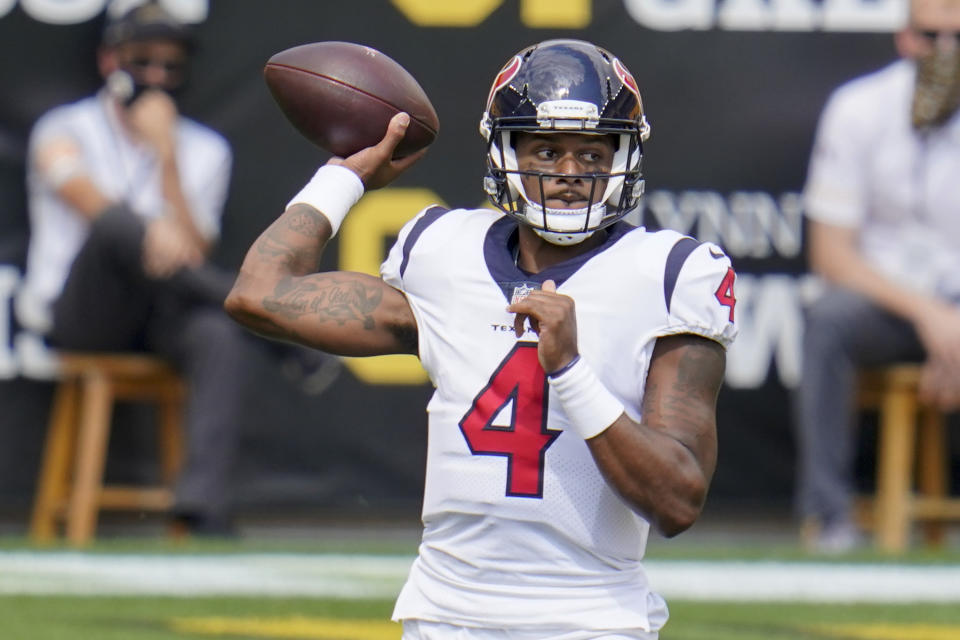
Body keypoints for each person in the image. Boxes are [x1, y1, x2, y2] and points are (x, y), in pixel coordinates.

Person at [226, 39, 737, 639]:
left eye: (592, 154)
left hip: (592, 620)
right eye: (547, 150)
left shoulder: (673, 274)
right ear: (505, 152)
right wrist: (344, 177)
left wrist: (571, 371)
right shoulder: (444, 251)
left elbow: (677, 502)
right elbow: (258, 294)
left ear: (624, 157)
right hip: (444, 616)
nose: (569, 175)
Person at [16, 3, 245, 536]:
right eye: (143, 62)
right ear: (109, 62)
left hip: (162, 310)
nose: (157, 78)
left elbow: (192, 251)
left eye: (170, 66)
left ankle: (200, 507)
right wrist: (147, 229)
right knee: (117, 229)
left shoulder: (205, 149)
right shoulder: (63, 127)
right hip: (81, 313)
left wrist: (166, 156)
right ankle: (253, 311)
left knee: (218, 336)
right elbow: (91, 205)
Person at [797, 0, 960, 553]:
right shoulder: (860, 107)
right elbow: (831, 254)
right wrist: (929, 314)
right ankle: (830, 518)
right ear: (904, 38)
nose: (945, 51)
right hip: (890, 304)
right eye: (931, 36)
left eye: (958, 37)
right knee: (827, 319)